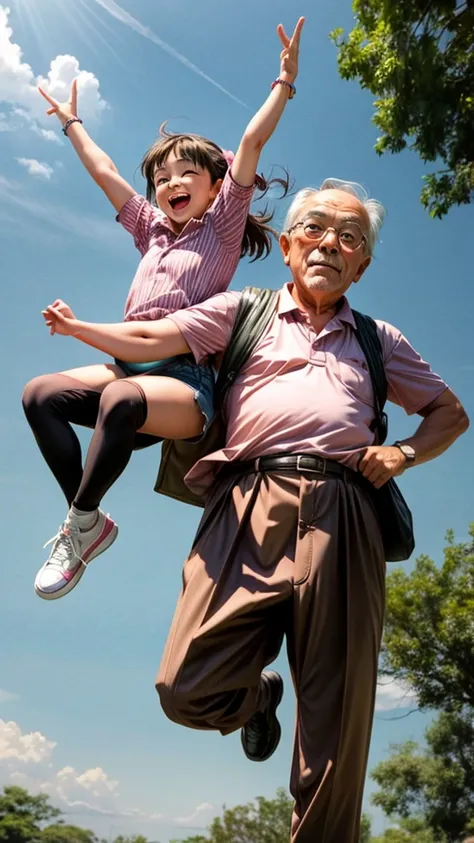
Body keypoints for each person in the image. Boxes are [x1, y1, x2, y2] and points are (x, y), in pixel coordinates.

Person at [40, 178, 469, 842]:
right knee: (184, 685)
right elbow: (158, 333)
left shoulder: (380, 340)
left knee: (336, 720)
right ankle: (258, 696)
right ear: (292, 243)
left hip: (346, 512)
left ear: (364, 263)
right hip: (244, 502)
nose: (331, 242)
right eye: (316, 228)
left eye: (349, 236)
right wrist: (79, 329)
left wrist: (405, 453)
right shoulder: (244, 311)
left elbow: (450, 413)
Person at [22, 16, 304, 601]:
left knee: (124, 398)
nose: (170, 182)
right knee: (39, 394)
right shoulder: (150, 229)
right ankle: (88, 522)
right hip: (129, 367)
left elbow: (250, 143)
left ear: (212, 185)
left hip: (183, 383)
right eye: (160, 177)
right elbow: (104, 173)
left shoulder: (221, 227)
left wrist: (283, 84)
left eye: (186, 174)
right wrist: (72, 123)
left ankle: (75, 531)